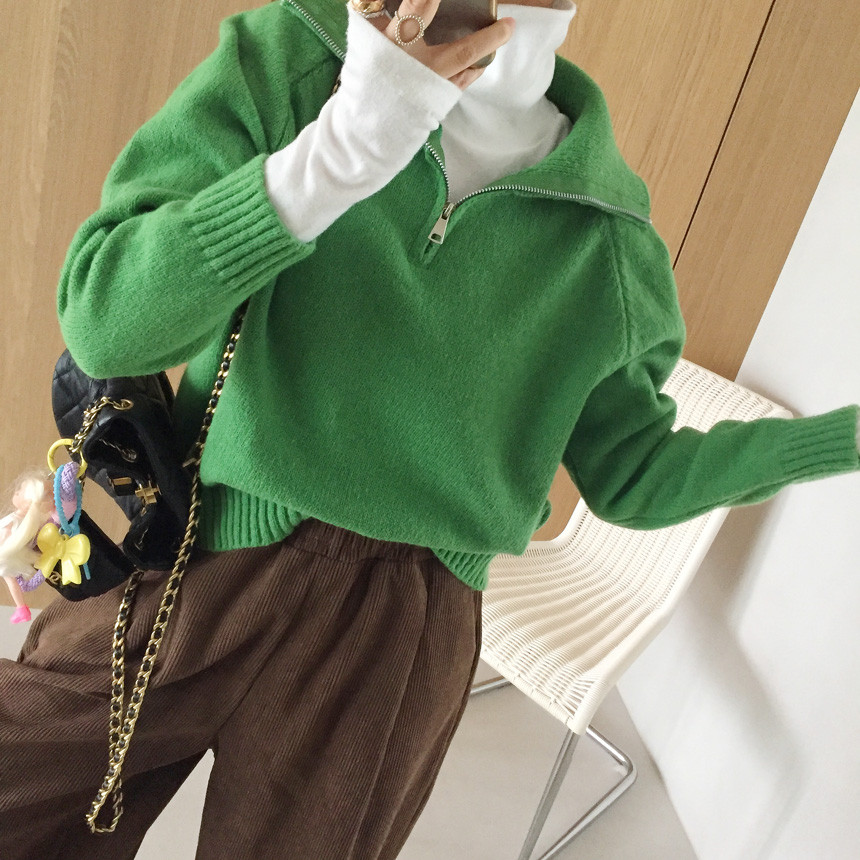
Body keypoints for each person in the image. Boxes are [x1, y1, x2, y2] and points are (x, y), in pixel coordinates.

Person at [1, 0, 858, 857]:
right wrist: (342, 150)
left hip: (401, 640)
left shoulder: (611, 240)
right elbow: (107, 323)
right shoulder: (292, 62)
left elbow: (633, 472)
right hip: (205, 552)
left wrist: (838, 439)